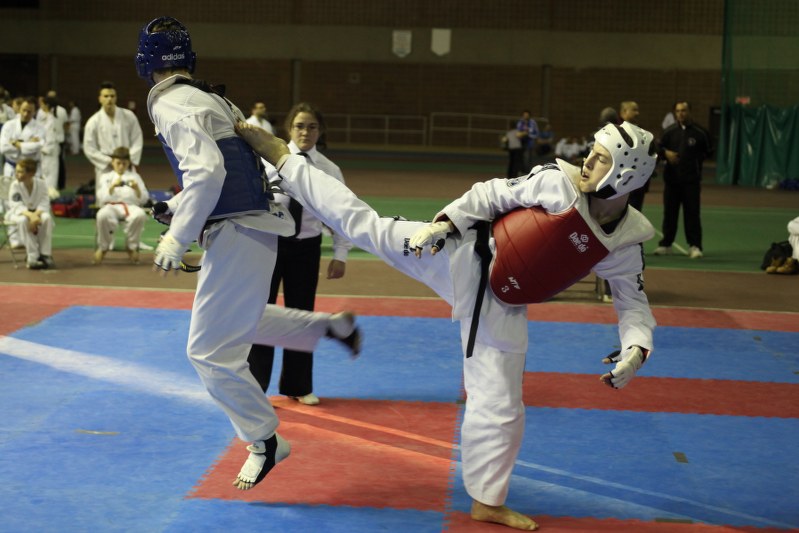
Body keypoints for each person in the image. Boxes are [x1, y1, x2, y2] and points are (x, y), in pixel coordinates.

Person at [239, 119, 658, 531]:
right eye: (591, 152)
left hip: (501, 301)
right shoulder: (557, 182)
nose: (586, 162)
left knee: (501, 403)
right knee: (363, 224)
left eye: (600, 159)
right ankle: (284, 161)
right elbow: (491, 193)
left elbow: (633, 302)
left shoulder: (625, 241)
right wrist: (445, 222)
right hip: (455, 252)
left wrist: (635, 348)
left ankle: (487, 502)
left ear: (627, 173)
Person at [135, 16, 363, 491]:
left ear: (144, 62)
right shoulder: (210, 96)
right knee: (242, 320)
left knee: (207, 351)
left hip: (240, 228)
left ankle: (264, 440)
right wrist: (174, 207)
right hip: (255, 223)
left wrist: (177, 237)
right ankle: (328, 327)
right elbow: (229, 169)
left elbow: (210, 174)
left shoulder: (173, 105)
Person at [247, 102, 352, 406]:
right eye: (299, 126)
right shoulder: (267, 162)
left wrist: (340, 254)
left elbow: (340, 215)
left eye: (312, 126)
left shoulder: (329, 170)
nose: (305, 132)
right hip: (269, 245)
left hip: (306, 248)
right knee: (262, 314)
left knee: (302, 315)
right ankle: (256, 386)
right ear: (289, 130)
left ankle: (298, 384)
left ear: (321, 131)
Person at [653, 101, 712, 259]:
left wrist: (694, 161)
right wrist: (666, 153)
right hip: (671, 181)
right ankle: (666, 244)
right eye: (678, 111)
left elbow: (709, 151)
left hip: (691, 182)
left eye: (684, 110)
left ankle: (695, 246)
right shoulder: (669, 132)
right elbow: (658, 149)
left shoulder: (700, 133)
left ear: (689, 111)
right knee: (669, 214)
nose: (681, 114)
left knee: (692, 214)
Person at [93, 147, 149, 265]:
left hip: (130, 206)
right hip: (111, 206)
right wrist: (112, 187)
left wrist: (137, 189)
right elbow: (101, 197)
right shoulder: (105, 177)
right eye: (118, 163)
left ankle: (131, 246)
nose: (121, 166)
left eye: (124, 163)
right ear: (112, 162)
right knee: (102, 215)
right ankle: (103, 247)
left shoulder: (135, 177)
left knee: (140, 215)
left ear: (128, 163)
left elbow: (144, 198)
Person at [83, 81, 144, 180]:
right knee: (106, 194)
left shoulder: (128, 116)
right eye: (106, 96)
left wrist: (127, 159)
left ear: (116, 97)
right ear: (100, 99)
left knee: (129, 193)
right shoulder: (93, 121)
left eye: (112, 96)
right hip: (105, 167)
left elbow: (137, 139)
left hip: (126, 164)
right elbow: (89, 148)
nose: (109, 99)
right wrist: (109, 161)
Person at [4, 158, 55, 269]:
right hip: (18, 213)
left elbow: (45, 201)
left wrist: (35, 214)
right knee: (23, 220)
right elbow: (16, 205)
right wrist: (31, 216)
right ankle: (32, 256)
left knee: (46, 218)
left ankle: (45, 254)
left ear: (31, 173)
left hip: (38, 212)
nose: (17, 174)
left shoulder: (41, 183)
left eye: (21, 171)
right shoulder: (15, 185)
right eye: (16, 171)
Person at [0, 97, 45, 179]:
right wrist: (27, 143)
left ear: (34, 112)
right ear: (19, 109)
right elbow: (3, 148)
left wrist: (15, 143)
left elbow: (37, 146)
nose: (25, 114)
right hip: (11, 167)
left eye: (29, 111)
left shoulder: (40, 128)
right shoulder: (9, 125)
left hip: (30, 170)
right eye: (23, 110)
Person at [620, 101, 650, 212]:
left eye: (638, 110)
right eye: (634, 110)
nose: (637, 113)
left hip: (638, 182)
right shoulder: (616, 131)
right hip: (621, 181)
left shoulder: (643, 132)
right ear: (623, 112)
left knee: (635, 213)